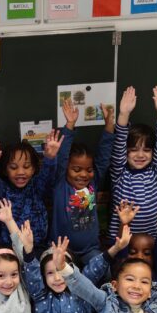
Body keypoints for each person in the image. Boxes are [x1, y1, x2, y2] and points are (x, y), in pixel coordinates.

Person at [51, 97, 115, 264]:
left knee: (104, 270)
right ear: (66, 168)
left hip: (90, 250)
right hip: (62, 251)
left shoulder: (92, 183)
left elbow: (103, 157)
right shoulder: (60, 184)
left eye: (89, 170)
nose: (84, 175)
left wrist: (109, 126)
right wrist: (70, 125)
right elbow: (62, 156)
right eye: (77, 169)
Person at [0, 124, 61, 249]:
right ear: (5, 170)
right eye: (13, 167)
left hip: (37, 246)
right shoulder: (2, 189)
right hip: (8, 248)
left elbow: (48, 178)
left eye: (27, 166)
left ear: (34, 169)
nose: (20, 172)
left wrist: (50, 158)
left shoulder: (37, 187)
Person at [109, 85, 157, 237]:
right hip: (121, 240)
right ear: (126, 151)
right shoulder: (120, 173)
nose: (140, 155)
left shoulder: (156, 172)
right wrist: (124, 114)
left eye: (147, 150)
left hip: (150, 239)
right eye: (133, 149)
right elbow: (119, 144)